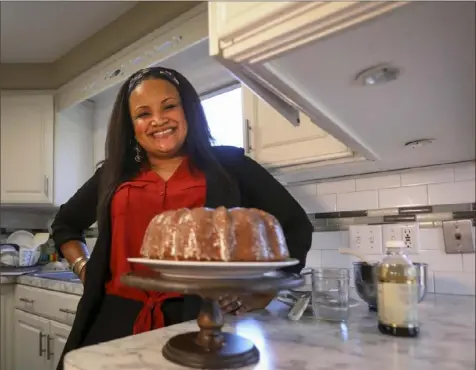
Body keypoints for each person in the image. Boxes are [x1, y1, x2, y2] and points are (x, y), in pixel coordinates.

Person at [51, 66, 313, 369]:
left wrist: (263, 291)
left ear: (187, 110)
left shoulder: (231, 165)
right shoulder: (112, 174)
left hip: (200, 321)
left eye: (169, 106)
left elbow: (295, 227)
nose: (158, 120)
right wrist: (85, 269)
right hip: (111, 320)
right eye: (143, 114)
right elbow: (65, 223)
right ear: (131, 125)